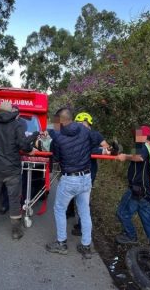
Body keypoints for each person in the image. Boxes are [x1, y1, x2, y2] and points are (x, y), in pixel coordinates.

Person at [45, 108, 103, 259]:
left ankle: (61, 243)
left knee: (59, 208)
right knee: (84, 211)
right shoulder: (85, 131)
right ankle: (86, 246)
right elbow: (96, 144)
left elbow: (56, 158)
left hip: (70, 178)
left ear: (61, 121)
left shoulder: (58, 137)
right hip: (86, 177)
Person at [0, 102, 38, 240]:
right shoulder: (17, 124)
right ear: (11, 111)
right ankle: (16, 231)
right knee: (14, 199)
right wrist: (31, 149)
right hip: (12, 169)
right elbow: (23, 145)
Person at [114, 125, 150, 251]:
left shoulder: (143, 146)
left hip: (138, 190)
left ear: (144, 136)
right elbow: (136, 156)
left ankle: (131, 236)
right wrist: (123, 154)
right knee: (148, 221)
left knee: (122, 213)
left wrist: (125, 157)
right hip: (148, 192)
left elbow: (139, 157)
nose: (135, 136)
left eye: (138, 134)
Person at [70, 112, 112, 236]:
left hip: (87, 170)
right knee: (80, 197)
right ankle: (78, 220)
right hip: (81, 169)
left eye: (81, 123)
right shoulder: (78, 134)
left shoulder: (94, 135)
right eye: (77, 124)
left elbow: (107, 149)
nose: (79, 126)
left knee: (83, 199)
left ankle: (83, 227)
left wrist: (102, 150)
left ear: (87, 123)